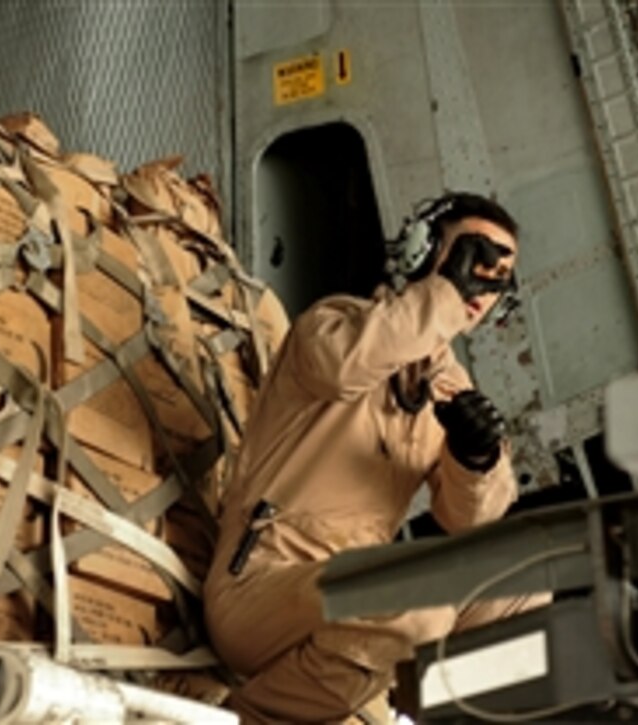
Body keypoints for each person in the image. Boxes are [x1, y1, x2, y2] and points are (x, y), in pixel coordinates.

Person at [204, 192, 541, 723]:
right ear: (422, 251)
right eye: (471, 256)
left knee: (529, 598)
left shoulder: (449, 387)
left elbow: (470, 523)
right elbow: (344, 367)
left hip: (352, 603)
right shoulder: (336, 322)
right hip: (260, 590)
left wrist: (474, 459)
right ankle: (255, 717)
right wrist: (444, 293)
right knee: (417, 601)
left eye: (498, 275)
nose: (482, 282)